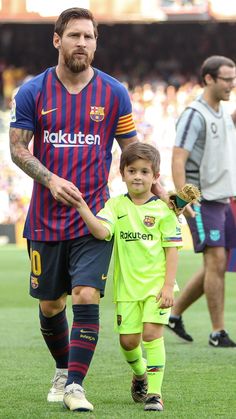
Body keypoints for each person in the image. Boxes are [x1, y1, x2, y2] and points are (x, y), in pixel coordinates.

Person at [9, 8, 140, 413]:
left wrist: (156, 190)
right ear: (57, 40)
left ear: (96, 42)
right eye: (74, 36)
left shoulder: (114, 92)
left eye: (89, 36)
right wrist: (49, 180)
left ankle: (75, 386)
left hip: (95, 217)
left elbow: (132, 151)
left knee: (86, 293)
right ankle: (63, 368)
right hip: (45, 220)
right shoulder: (33, 91)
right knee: (51, 306)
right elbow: (17, 148)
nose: (82, 43)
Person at [75, 142, 183, 412]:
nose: (138, 176)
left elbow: (172, 250)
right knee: (128, 342)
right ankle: (140, 372)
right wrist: (81, 207)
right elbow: (101, 231)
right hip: (127, 290)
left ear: (155, 177)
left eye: (145, 171)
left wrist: (169, 286)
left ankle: (155, 394)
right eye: (132, 170)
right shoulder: (115, 206)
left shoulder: (164, 210)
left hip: (157, 287)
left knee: (151, 335)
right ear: (122, 173)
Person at [169, 55, 236, 348]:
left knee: (215, 265)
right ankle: (217, 331)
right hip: (202, 199)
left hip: (222, 198)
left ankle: (174, 315)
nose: (232, 85)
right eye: (227, 79)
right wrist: (182, 199)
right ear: (209, 79)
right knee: (216, 260)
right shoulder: (194, 114)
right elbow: (177, 157)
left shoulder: (221, 110)